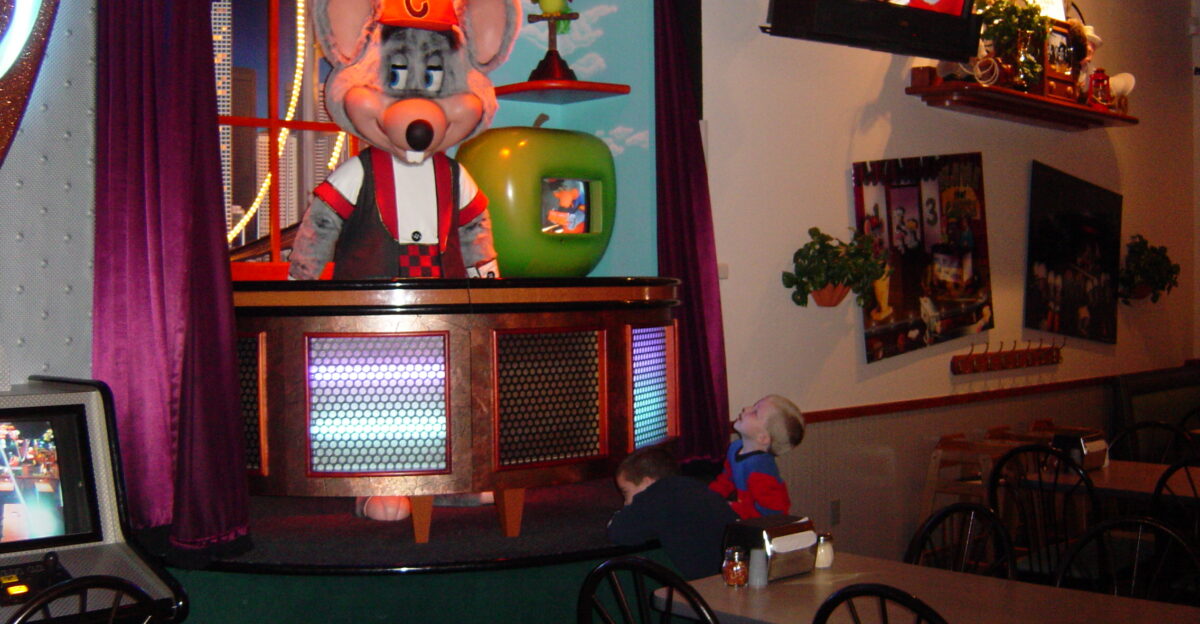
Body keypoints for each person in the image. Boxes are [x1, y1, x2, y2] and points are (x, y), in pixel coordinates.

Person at [607, 446, 739, 580]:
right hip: (738, 573)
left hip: (709, 586)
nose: (626, 503)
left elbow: (619, 533)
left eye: (626, 493)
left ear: (647, 483)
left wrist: (617, 517)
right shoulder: (695, 488)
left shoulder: (656, 496)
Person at [709, 394, 805, 519]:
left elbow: (773, 512)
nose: (746, 408)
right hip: (743, 515)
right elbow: (727, 479)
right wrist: (709, 496)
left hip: (764, 526)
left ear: (763, 437)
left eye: (755, 412)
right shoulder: (735, 447)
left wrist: (732, 508)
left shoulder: (760, 470)